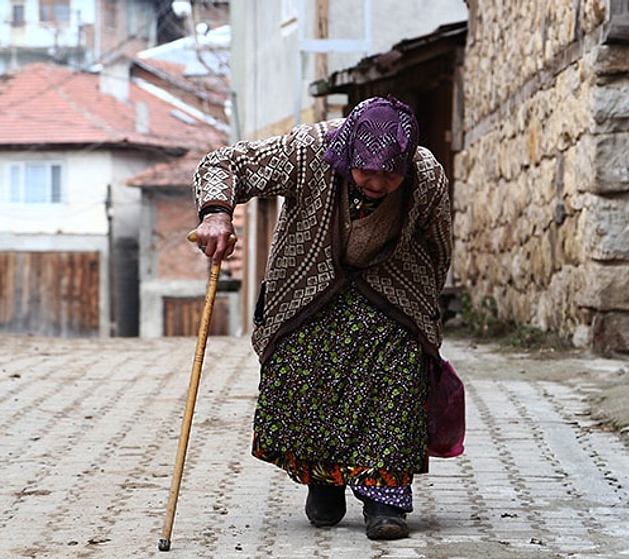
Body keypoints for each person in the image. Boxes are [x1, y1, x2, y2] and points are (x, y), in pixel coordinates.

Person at [191, 96, 452, 540]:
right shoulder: (308, 151)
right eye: (366, 170)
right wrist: (217, 214)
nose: (376, 182)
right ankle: (324, 480)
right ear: (348, 152)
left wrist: (427, 305)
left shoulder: (425, 175)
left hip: (393, 290)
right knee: (306, 370)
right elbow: (224, 162)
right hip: (306, 288)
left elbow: (439, 243)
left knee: (396, 377)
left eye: (391, 173)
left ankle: (382, 499)